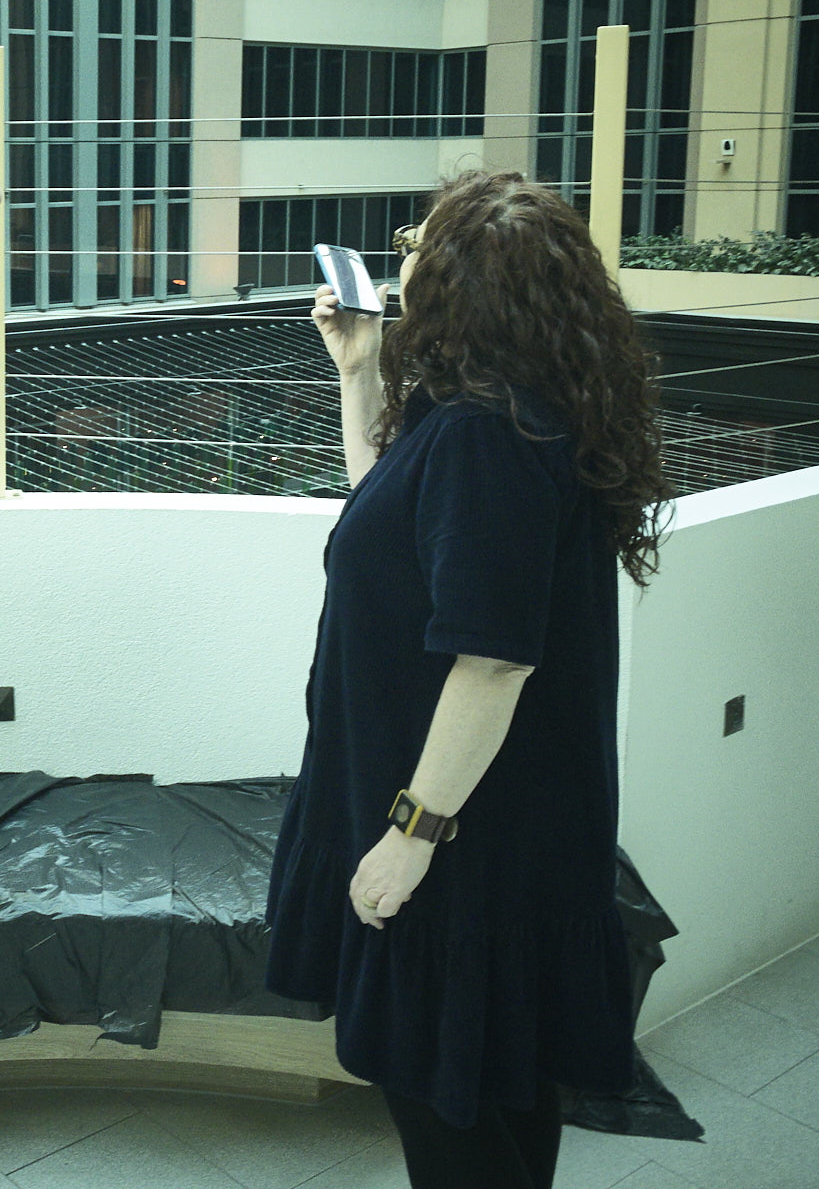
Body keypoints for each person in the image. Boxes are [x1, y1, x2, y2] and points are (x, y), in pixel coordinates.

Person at [264, 171, 669, 1189]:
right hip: (506, 828)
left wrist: (410, 837)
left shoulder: (489, 438)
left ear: (459, 281)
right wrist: (357, 371)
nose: (397, 259)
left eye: (414, 242)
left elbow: (490, 662)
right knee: (503, 1080)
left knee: (445, 1108)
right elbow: (389, 521)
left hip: (465, 847)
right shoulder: (502, 416)